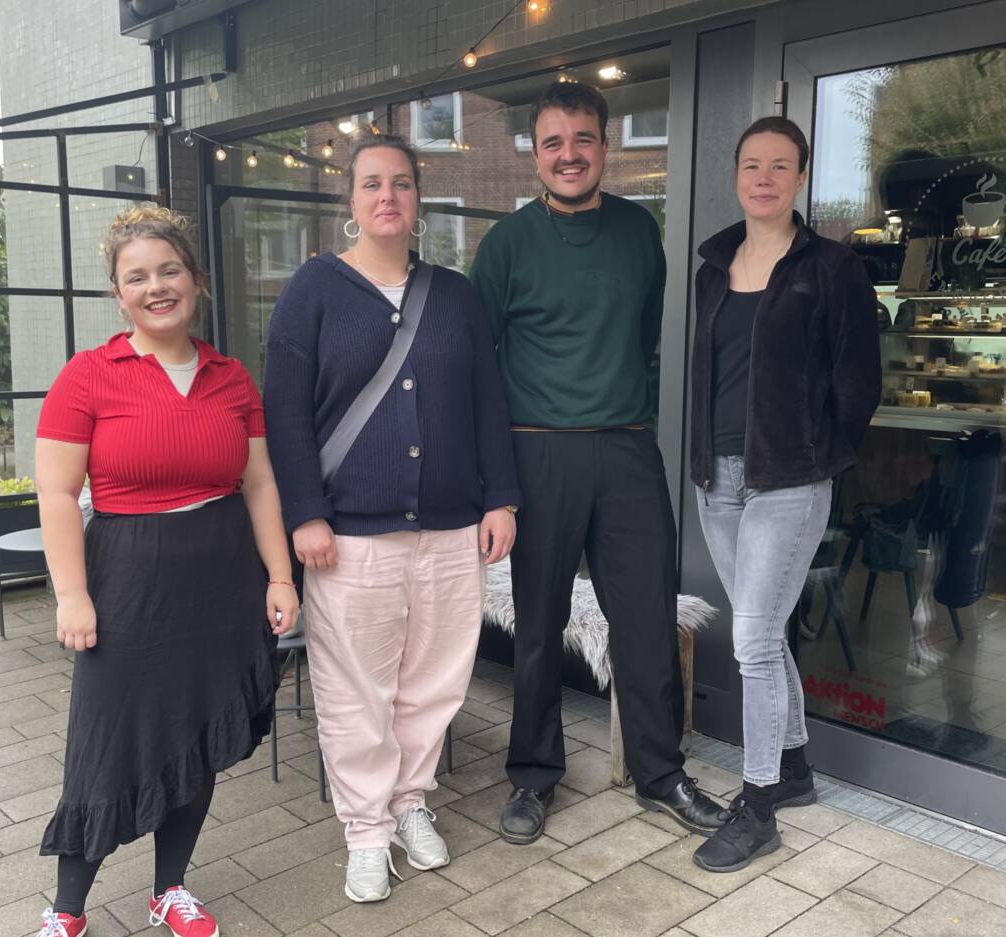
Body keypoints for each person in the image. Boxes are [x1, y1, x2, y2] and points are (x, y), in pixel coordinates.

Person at [262, 135, 522, 904]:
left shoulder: (455, 295)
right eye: (372, 183)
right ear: (351, 200)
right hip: (349, 534)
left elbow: (488, 400)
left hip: (450, 528)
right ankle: (366, 830)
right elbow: (284, 414)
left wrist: (501, 497)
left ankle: (411, 801)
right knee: (355, 690)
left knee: (433, 682)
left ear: (417, 199)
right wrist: (304, 513)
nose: (387, 196)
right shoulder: (313, 290)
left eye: (401, 183)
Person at [471, 81, 728, 845]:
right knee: (539, 622)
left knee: (645, 616)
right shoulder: (507, 245)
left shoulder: (638, 231)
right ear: (535, 155)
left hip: (624, 447)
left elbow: (643, 335)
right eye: (553, 142)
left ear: (604, 147)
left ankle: (660, 771)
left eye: (582, 139)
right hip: (537, 449)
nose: (569, 154)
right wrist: (496, 481)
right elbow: (478, 366)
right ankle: (532, 774)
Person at [32, 205, 298, 937]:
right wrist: (72, 594)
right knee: (106, 739)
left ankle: (169, 888)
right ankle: (67, 909)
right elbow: (56, 493)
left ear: (196, 280)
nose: (157, 287)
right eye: (137, 277)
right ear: (119, 295)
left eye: (170, 270)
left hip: (222, 580)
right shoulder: (88, 376)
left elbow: (260, 485)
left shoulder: (231, 378)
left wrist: (279, 576)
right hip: (127, 582)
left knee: (196, 732)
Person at [687, 116, 880, 873]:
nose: (763, 178)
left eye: (779, 165)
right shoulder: (714, 267)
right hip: (719, 478)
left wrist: (816, 456)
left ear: (800, 177)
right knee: (760, 634)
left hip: (787, 481)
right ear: (736, 175)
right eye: (751, 165)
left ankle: (759, 805)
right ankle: (794, 768)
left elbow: (858, 382)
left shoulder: (831, 267)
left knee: (753, 643)